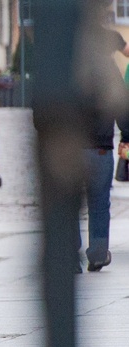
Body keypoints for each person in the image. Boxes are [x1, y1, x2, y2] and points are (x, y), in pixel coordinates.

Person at [72, 2, 129, 273]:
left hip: (70, 144)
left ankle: (71, 255)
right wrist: (126, 136)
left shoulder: (61, 67)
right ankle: (97, 252)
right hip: (100, 146)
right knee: (99, 200)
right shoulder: (106, 67)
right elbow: (122, 104)